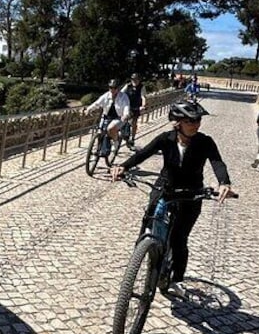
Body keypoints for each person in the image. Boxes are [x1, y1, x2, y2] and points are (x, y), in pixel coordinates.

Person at [110, 101, 235, 298]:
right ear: (177, 123)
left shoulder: (205, 141)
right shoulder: (166, 139)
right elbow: (143, 153)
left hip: (191, 194)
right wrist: (123, 166)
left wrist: (224, 183)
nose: (196, 124)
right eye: (190, 121)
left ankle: (176, 280)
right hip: (165, 189)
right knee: (149, 220)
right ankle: (139, 259)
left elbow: (217, 162)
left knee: (179, 239)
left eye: (197, 120)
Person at [84, 79, 131, 154]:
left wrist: (125, 115)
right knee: (100, 132)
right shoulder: (106, 95)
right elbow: (97, 103)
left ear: (118, 88)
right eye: (110, 87)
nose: (112, 90)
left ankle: (116, 141)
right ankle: (99, 149)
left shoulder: (123, 96)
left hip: (119, 118)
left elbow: (126, 106)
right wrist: (89, 109)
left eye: (114, 88)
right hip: (106, 117)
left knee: (110, 128)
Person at [120, 73, 147, 149]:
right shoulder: (128, 86)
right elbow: (121, 93)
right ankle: (121, 135)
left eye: (136, 79)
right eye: (133, 79)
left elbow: (143, 97)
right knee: (123, 119)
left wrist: (143, 106)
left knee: (133, 123)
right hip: (127, 106)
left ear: (139, 80)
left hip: (136, 107)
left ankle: (132, 138)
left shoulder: (142, 87)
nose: (134, 81)